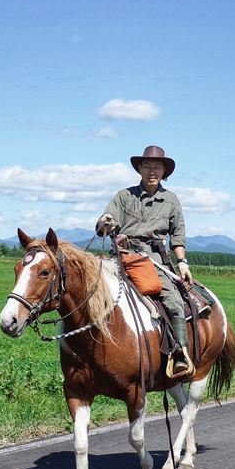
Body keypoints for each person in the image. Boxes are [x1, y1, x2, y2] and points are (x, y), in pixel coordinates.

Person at [95, 145, 195, 378]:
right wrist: (106, 221)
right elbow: (104, 224)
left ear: (164, 171)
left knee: (172, 299)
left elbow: (177, 237)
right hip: (122, 254)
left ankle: (180, 353)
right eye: (147, 166)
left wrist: (182, 262)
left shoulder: (170, 200)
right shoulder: (123, 196)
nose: (152, 171)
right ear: (139, 168)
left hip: (154, 259)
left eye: (157, 167)